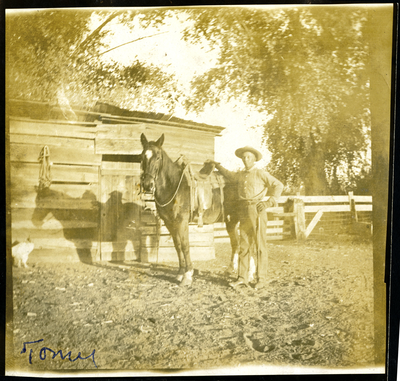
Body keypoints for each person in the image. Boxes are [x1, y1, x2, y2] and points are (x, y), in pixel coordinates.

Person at [207, 146, 283, 290]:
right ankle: (242, 277)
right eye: (243, 157)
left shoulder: (260, 173)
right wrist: (217, 165)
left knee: (260, 245)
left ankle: (261, 279)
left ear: (254, 159)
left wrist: (269, 202)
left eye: (248, 157)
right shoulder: (240, 175)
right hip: (242, 210)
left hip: (257, 209)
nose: (245, 159)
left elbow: (278, 185)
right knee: (244, 244)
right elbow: (229, 175)